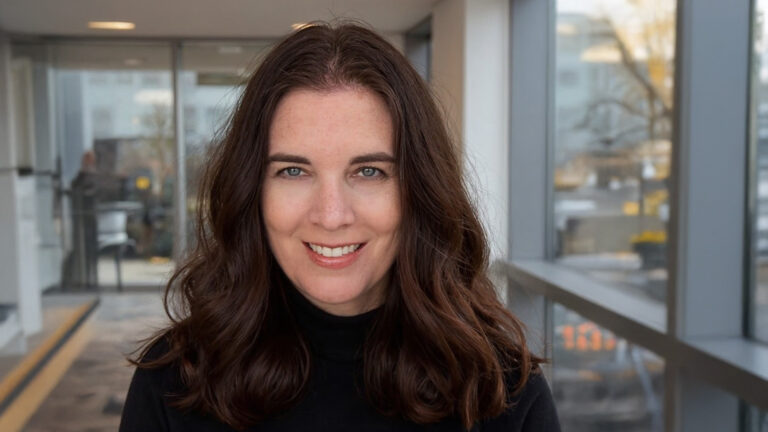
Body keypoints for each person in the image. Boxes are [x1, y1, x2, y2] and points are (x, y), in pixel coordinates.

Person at [119, 22, 561, 432]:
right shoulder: (176, 380)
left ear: (420, 191)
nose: (331, 216)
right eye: (293, 171)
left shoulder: (501, 391)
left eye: (369, 172)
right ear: (252, 192)